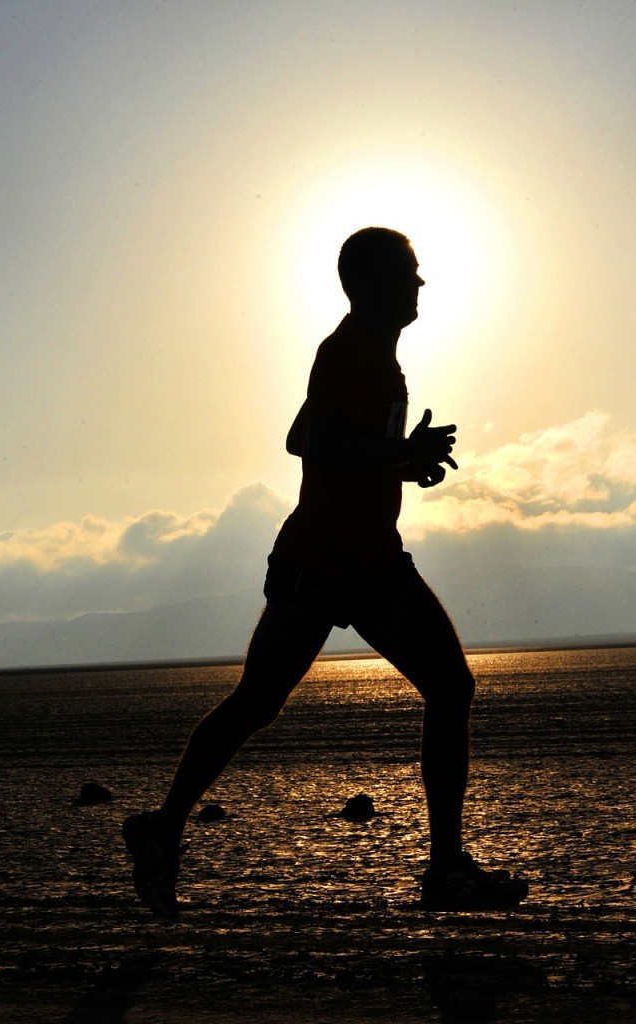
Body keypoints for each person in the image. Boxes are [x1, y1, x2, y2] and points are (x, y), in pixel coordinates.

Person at [123, 226, 529, 917]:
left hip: (369, 562)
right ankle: (159, 829)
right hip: (319, 563)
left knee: (447, 688)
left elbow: (299, 437)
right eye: (406, 272)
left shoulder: (366, 357)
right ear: (366, 284)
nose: (419, 284)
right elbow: (325, 444)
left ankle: (443, 870)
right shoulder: (349, 354)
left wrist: (399, 461)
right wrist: (395, 450)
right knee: (259, 704)